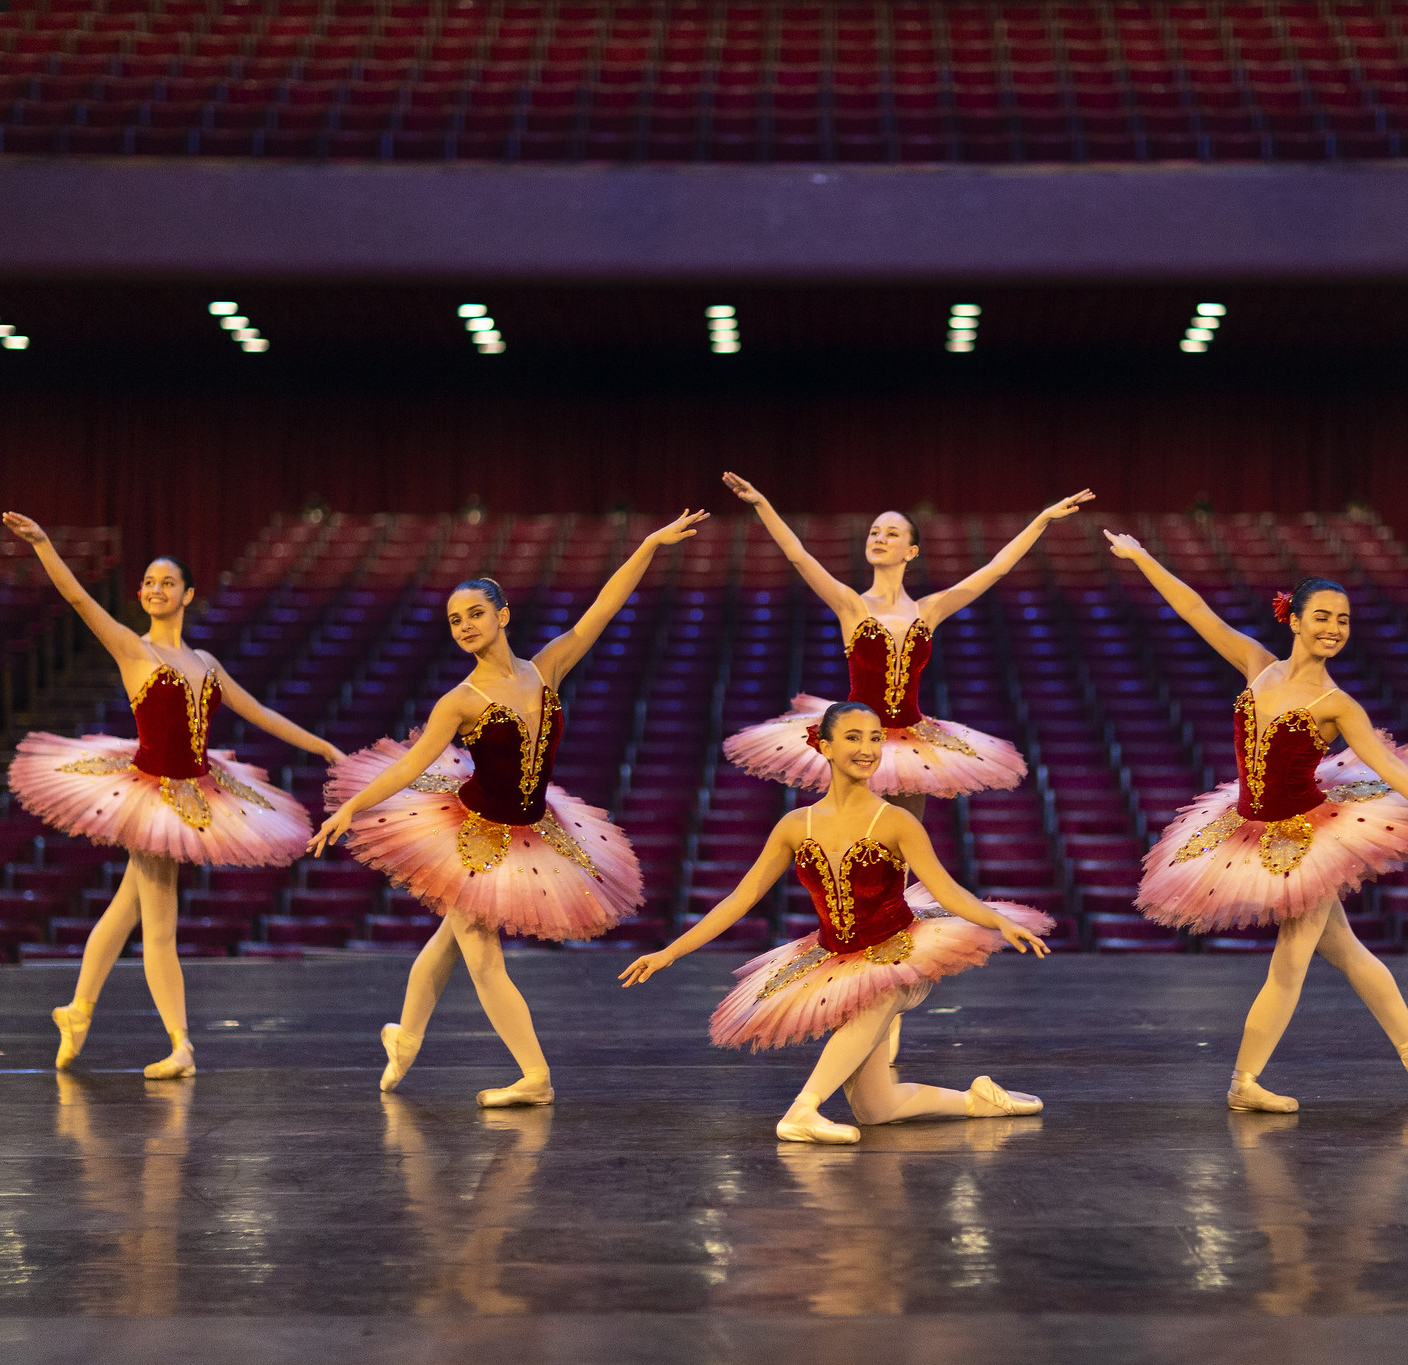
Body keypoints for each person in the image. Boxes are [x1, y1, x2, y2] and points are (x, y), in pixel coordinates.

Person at [312, 511, 706, 1106]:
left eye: (475, 614)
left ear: (502, 615)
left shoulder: (546, 668)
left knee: (450, 938)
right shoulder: (460, 700)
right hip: (471, 832)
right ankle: (536, 1077)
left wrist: (649, 545)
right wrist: (351, 808)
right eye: (454, 621)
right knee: (482, 956)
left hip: (532, 829)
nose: (465, 626)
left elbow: (603, 607)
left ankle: (406, 1039)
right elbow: (410, 765)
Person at [1109, 535, 1408, 1114]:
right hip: (1249, 824)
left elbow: (1386, 765)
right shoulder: (1257, 666)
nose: (1334, 628)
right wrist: (1142, 558)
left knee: (1292, 957)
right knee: (1347, 950)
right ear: (1296, 620)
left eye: (1344, 621)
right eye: (1323, 617)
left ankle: (1244, 1081)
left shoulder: (1337, 703)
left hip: (1305, 837)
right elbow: (1194, 611)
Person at [3, 512, 341, 1079]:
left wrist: (321, 746)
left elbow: (256, 712)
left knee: (127, 908)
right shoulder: (135, 651)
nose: (157, 589)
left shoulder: (205, 663)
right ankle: (180, 1044)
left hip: (197, 787)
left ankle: (78, 1011)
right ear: (140, 595)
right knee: (160, 926)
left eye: (168, 582)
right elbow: (82, 601)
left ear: (188, 594)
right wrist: (43, 545)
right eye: (149, 583)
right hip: (152, 793)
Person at [621, 701, 1050, 1144]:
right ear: (824, 746)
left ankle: (802, 1109)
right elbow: (741, 898)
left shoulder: (896, 821)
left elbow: (947, 890)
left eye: (874, 738)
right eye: (853, 737)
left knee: (882, 991)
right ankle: (976, 1101)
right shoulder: (795, 825)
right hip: (837, 958)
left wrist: (998, 921)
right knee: (875, 1110)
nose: (867, 749)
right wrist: (669, 951)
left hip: (900, 952)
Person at [719, 472, 1095, 816]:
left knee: (903, 842)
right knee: (858, 836)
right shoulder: (851, 604)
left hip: (914, 740)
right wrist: (761, 504)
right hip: (857, 738)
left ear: (911, 551)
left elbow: (996, 568)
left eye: (891, 533)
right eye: (874, 532)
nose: (879, 538)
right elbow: (798, 556)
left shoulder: (928, 610)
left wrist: (1042, 519)